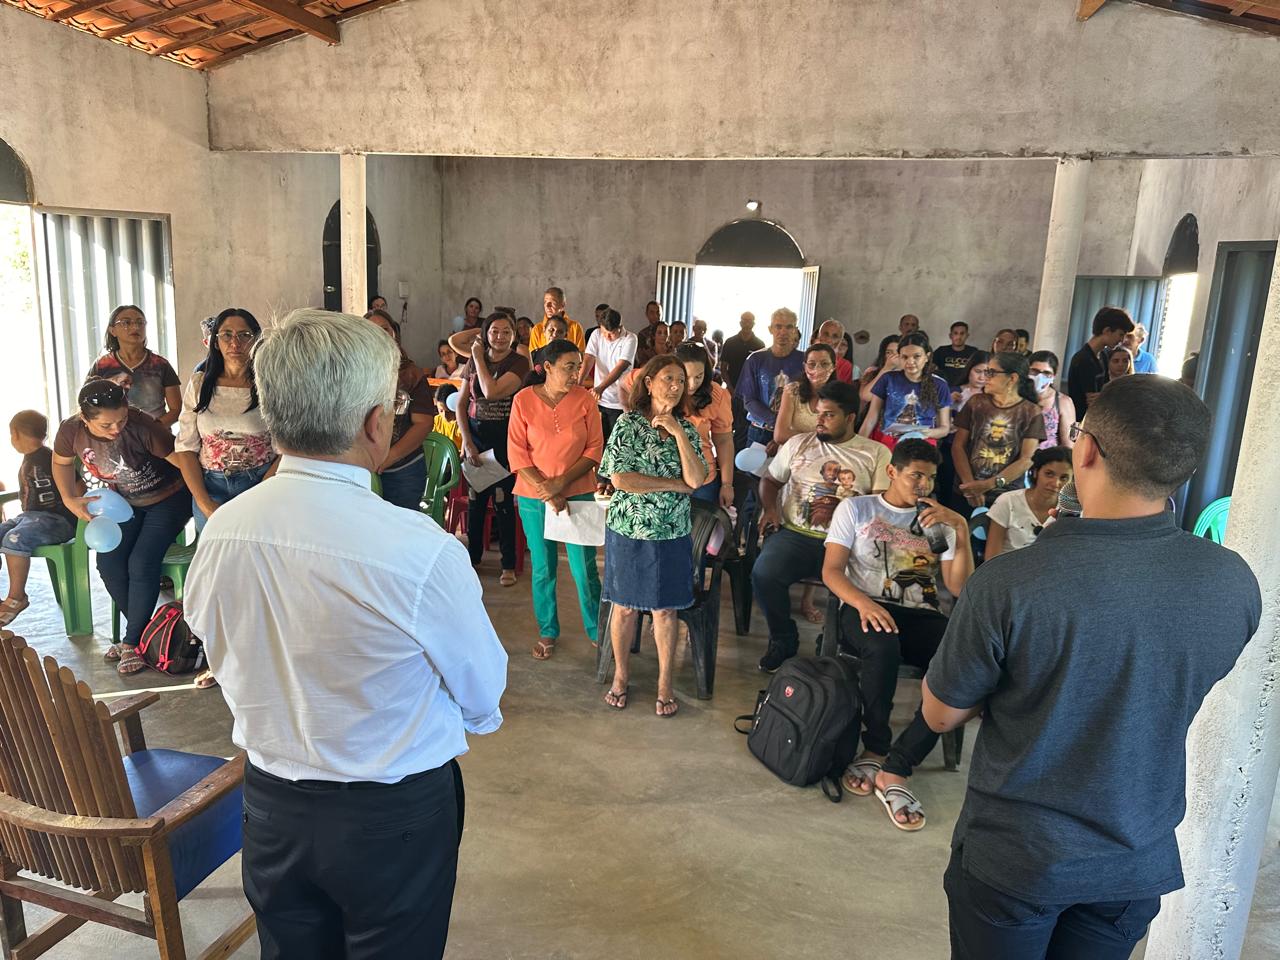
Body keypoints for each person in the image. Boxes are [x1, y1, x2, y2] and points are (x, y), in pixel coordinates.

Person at [184, 308, 507, 960]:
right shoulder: (418, 550)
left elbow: (214, 636)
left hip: (272, 803)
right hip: (391, 813)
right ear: (375, 423)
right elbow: (481, 692)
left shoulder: (223, 531)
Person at [922, 375, 1261, 959]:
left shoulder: (1012, 582)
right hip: (1133, 862)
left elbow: (940, 714)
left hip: (1019, 859)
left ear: (1086, 451)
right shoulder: (1231, 581)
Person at [824, 439, 973, 830]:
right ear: (892, 471)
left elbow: (959, 586)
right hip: (863, 605)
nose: (924, 485)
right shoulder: (857, 509)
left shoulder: (937, 521)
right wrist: (863, 604)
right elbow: (832, 570)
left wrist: (959, 527)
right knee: (882, 647)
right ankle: (876, 747)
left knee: (960, 660)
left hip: (920, 612)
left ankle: (898, 765)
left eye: (931, 478)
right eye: (916, 475)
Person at [52, 380, 191, 674]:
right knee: (109, 564)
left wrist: (206, 496)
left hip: (169, 499)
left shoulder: (143, 426)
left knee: (141, 562)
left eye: (122, 419)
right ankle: (146, 636)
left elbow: (183, 461)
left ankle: (131, 642)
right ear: (84, 418)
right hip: (126, 503)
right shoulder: (71, 431)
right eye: (106, 425)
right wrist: (68, 499)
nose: (116, 429)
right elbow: (61, 463)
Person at [752, 381, 891, 672]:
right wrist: (771, 509)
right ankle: (783, 638)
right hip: (795, 535)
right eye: (818, 414)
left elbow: (881, 505)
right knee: (765, 574)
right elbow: (770, 480)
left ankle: (834, 641)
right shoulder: (799, 444)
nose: (820, 421)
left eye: (829, 415)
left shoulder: (875, 453)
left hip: (848, 543)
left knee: (868, 585)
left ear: (850, 417)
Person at [598, 355, 707, 717]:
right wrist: (673, 485)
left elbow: (696, 479)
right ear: (648, 383)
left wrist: (678, 432)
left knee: (665, 610)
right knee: (625, 606)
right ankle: (621, 676)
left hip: (672, 533)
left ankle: (664, 684)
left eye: (681, 381)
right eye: (668, 379)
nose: (675, 386)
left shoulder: (687, 428)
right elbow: (621, 480)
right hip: (629, 529)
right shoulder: (628, 424)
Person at [507, 339, 604, 660]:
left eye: (579, 367)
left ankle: (597, 629)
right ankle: (548, 630)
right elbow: (517, 453)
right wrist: (546, 489)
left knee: (584, 568)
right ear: (547, 367)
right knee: (543, 566)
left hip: (579, 493)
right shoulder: (523, 400)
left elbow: (594, 449)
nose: (577, 374)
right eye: (569, 367)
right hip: (533, 497)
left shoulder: (585, 400)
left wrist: (561, 483)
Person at [174, 308, 276, 534]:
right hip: (211, 486)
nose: (235, 343)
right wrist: (204, 502)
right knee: (215, 551)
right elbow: (186, 447)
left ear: (256, 339)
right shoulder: (200, 383)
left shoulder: (271, 385)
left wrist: (260, 496)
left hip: (259, 484)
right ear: (215, 341)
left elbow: (285, 449)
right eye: (227, 335)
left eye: (244, 335)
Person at [457, 313, 530, 586]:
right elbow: (461, 403)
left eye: (506, 332)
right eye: (494, 331)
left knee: (503, 503)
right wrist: (466, 441)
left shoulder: (518, 362)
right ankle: (473, 560)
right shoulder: (474, 358)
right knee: (475, 502)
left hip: (504, 443)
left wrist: (477, 355)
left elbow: (491, 391)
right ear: (485, 334)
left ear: (514, 335)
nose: (500, 337)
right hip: (475, 441)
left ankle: (508, 564)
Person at [0, 411, 77, 627]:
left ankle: (17, 597)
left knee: (14, 538)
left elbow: (78, 486)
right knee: (6, 532)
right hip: (30, 518)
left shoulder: (50, 458)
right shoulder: (29, 458)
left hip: (57, 520)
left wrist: (76, 516)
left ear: (15, 434)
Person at [952, 352, 1046, 509]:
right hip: (966, 490)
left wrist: (988, 485)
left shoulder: (1031, 412)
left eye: (991, 372)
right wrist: (970, 486)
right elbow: (958, 446)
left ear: (1012, 378)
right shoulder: (976, 403)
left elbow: (1026, 459)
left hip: (1006, 496)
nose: (985, 377)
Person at [365, 310, 436, 512]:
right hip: (362, 465)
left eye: (385, 329)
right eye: (372, 330)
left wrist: (390, 457)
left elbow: (424, 423)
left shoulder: (411, 373)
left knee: (398, 523)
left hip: (403, 468)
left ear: (394, 333)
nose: (380, 335)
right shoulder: (354, 372)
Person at [86, 305, 181, 426]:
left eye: (140, 323)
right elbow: (88, 404)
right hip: (114, 433)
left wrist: (152, 430)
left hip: (154, 433)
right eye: (126, 322)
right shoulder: (102, 365)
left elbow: (176, 410)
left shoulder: (160, 364)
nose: (135, 327)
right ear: (112, 330)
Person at [859, 332, 952, 449]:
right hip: (888, 443)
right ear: (899, 357)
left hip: (923, 444)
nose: (910, 361)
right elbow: (871, 418)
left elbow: (944, 428)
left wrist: (923, 433)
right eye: (905, 357)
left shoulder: (939, 385)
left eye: (917, 356)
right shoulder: (887, 379)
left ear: (927, 357)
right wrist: (858, 446)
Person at [675, 342, 734, 509]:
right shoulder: (660, 387)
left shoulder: (716, 395)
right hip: (664, 479)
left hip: (703, 480)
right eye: (686, 377)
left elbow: (724, 441)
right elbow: (626, 385)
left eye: (698, 377)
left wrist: (727, 484)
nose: (692, 384)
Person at [984, 445, 1072, 558]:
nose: (1055, 483)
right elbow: (990, 558)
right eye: (1049, 474)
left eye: (1064, 478)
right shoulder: (1007, 502)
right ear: (1035, 472)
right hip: (1009, 567)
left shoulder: (1072, 510)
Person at [736, 307, 804, 447]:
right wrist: (778, 423)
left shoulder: (805, 360)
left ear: (795, 330)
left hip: (793, 433)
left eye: (789, 327)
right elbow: (748, 401)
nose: (783, 332)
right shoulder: (755, 359)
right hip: (760, 431)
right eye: (778, 326)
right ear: (770, 329)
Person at [1067, 305, 1134, 419]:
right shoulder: (1084, 360)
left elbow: (1105, 391)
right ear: (1107, 331)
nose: (1122, 340)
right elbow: (1093, 402)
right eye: (1121, 334)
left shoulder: (1103, 355)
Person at [583, 310, 637, 445]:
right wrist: (577, 383)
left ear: (620, 327)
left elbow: (620, 367)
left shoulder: (630, 338)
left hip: (619, 402)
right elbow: (588, 359)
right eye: (604, 332)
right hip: (599, 402)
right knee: (597, 442)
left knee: (616, 444)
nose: (607, 337)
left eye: (611, 334)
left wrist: (600, 388)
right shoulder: (596, 334)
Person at [775, 343, 837, 446]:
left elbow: (840, 437)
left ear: (833, 367)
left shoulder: (840, 395)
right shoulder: (792, 391)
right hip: (793, 451)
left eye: (824, 364)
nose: (817, 369)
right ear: (805, 367)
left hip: (825, 454)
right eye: (812, 364)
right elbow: (780, 435)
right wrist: (820, 441)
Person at [1028, 350, 1076, 448]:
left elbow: (1068, 445)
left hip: (1047, 455)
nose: (1039, 377)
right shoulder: (1016, 395)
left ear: (1053, 376)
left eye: (1046, 373)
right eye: (1035, 371)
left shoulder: (1063, 402)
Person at [529, 287, 585, 352]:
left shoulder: (575, 327)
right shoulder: (537, 329)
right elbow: (533, 356)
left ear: (562, 305)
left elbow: (580, 354)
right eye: (545, 302)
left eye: (552, 302)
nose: (547, 306)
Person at [719, 311, 764, 390]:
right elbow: (723, 368)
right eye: (745, 321)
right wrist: (731, 389)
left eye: (749, 322)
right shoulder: (730, 342)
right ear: (740, 323)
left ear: (753, 324)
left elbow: (761, 371)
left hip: (752, 390)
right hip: (731, 388)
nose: (747, 324)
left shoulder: (760, 345)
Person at [858, 334, 902, 408]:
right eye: (889, 352)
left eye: (898, 352)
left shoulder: (909, 374)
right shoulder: (872, 371)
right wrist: (886, 369)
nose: (894, 356)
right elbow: (866, 397)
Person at [933, 321, 979, 390]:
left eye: (962, 333)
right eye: (955, 333)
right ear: (950, 335)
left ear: (967, 335)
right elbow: (930, 368)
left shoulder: (974, 352)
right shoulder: (941, 351)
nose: (959, 337)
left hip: (966, 389)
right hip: (944, 388)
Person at [815, 319, 856, 383]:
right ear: (819, 336)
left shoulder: (845, 366)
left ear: (840, 341)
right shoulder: (804, 358)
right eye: (826, 334)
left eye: (835, 336)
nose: (829, 340)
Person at [432, 383, 463, 451]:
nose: (445, 416)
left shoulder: (462, 424)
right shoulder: (437, 420)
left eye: (449, 411)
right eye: (441, 411)